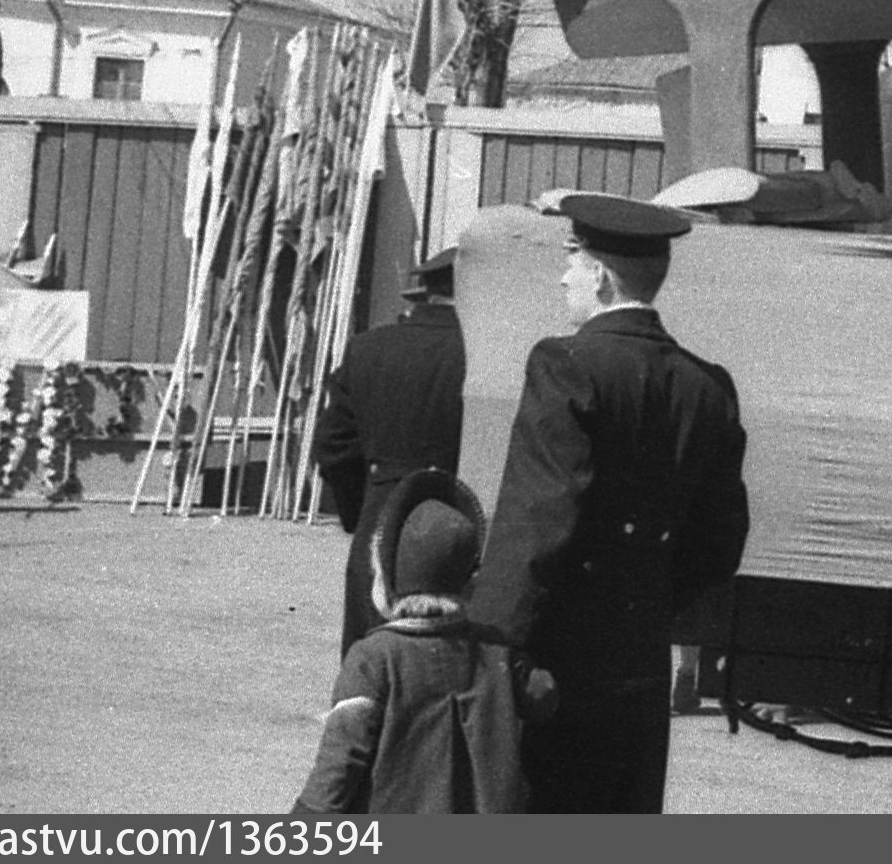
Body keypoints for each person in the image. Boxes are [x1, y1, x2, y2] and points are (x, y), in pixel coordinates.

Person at [471, 193, 750, 814]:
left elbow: (536, 519)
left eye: (571, 259)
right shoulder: (707, 386)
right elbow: (720, 540)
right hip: (640, 657)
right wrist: (646, 597)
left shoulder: (565, 364)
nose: (563, 277)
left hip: (556, 658)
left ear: (598, 276)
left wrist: (491, 642)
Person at [298, 470, 555, 814]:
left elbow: (337, 768)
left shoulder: (374, 659)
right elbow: (544, 696)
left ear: (387, 578)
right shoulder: (497, 652)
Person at [313, 249, 470, 650]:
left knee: (371, 660)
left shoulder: (367, 349)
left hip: (380, 520)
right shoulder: (486, 356)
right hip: (460, 527)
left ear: (424, 293)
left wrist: (361, 512)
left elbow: (333, 446)